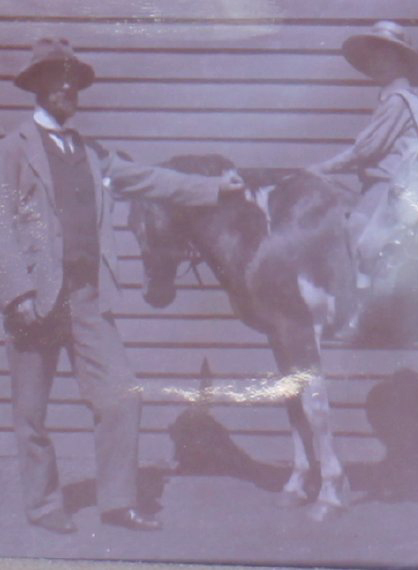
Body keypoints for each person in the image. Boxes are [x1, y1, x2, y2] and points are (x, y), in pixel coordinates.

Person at [0, 37, 244, 534]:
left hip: (88, 298)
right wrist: (17, 291)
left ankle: (117, 502)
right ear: (39, 86)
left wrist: (216, 188)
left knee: (121, 396)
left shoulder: (91, 154)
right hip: (35, 300)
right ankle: (44, 506)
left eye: (73, 77)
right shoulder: (12, 150)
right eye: (57, 76)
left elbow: (151, 180)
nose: (68, 86)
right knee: (31, 413)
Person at [308, 20, 418, 274]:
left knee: (358, 227)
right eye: (372, 57)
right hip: (396, 184)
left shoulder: (398, 101)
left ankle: (366, 297)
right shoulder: (396, 99)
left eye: (382, 57)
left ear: (400, 62)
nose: (374, 64)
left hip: (395, 184)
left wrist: (321, 168)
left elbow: (365, 150)